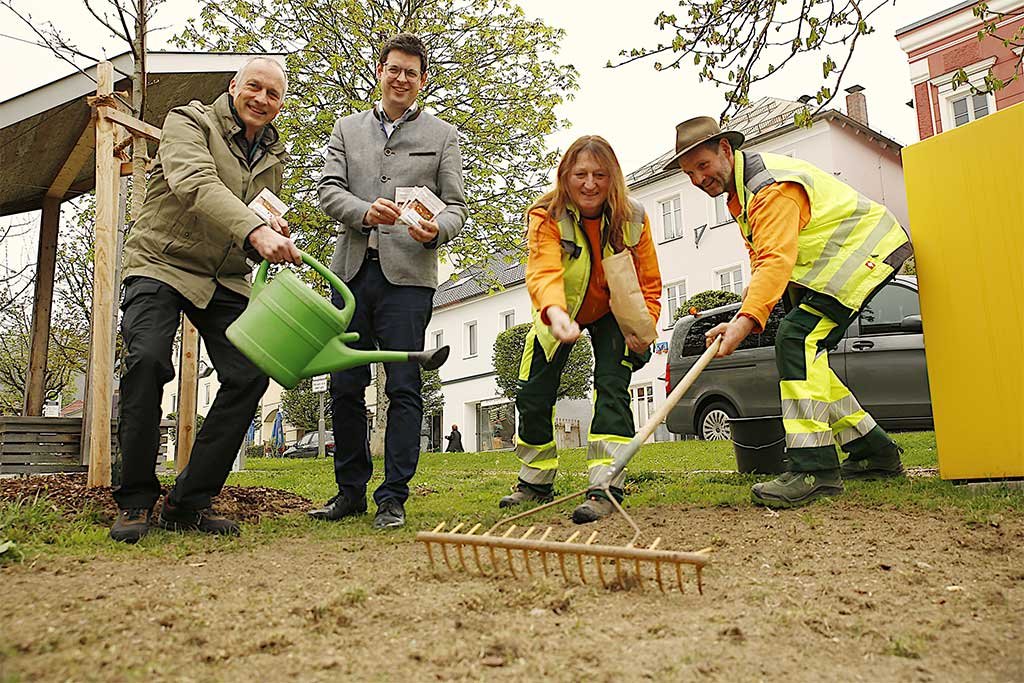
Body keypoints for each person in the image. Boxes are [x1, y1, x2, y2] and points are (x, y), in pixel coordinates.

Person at [670, 116, 914, 508]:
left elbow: (775, 259)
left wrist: (747, 321)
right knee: (806, 357)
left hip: (864, 255)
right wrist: (739, 319)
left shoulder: (769, 188)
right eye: (689, 173)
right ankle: (874, 451)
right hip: (832, 267)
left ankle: (813, 469)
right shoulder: (742, 195)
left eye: (703, 165)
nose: (699, 179)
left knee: (796, 339)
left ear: (725, 151)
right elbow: (760, 257)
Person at [110, 57, 302, 543]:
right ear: (233, 86)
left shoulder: (272, 156)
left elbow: (250, 213)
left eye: (273, 94)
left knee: (249, 373)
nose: (261, 99)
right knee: (148, 360)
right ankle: (134, 499)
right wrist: (255, 230)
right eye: (253, 87)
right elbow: (196, 184)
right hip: (161, 261)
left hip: (224, 278)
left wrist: (272, 228)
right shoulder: (188, 121)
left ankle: (188, 502)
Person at [311, 33, 468, 530]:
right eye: (394, 69)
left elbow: (458, 208)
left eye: (412, 73)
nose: (402, 79)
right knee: (345, 384)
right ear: (379, 72)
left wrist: (435, 229)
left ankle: (393, 496)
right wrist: (362, 212)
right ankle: (350, 491)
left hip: (409, 281)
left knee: (404, 387)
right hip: (351, 277)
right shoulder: (346, 129)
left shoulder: (443, 136)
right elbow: (327, 190)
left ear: (422, 81)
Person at [498, 135, 662, 524]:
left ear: (613, 178)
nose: (590, 184)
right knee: (533, 393)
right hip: (560, 309)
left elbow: (649, 281)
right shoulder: (545, 214)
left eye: (600, 175)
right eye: (581, 174)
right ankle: (535, 481)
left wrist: (645, 325)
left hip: (612, 311)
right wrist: (554, 312)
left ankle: (605, 486)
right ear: (565, 177)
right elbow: (542, 270)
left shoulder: (633, 216)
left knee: (611, 387)